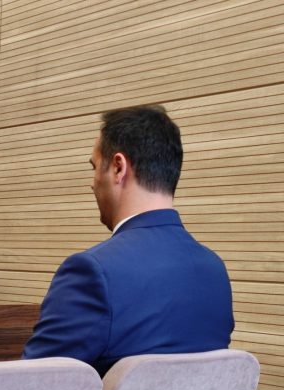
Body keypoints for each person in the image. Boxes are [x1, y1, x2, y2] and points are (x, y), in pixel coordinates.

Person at [22, 105, 234, 376]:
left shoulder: (92, 272)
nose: (92, 183)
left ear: (118, 167)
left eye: (95, 167)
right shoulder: (214, 269)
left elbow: (32, 387)